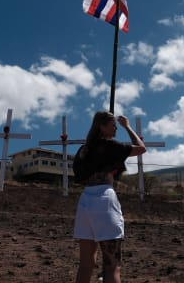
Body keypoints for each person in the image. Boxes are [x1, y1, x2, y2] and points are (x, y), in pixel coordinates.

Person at [73, 111, 147, 283]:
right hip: (104, 200)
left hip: (85, 202)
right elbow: (141, 148)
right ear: (102, 126)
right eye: (112, 125)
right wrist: (127, 126)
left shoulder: (83, 150)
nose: (115, 128)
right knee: (112, 265)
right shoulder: (111, 145)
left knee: (86, 264)